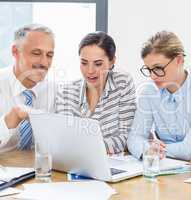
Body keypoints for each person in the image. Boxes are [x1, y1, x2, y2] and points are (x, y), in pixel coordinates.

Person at [127, 31, 191, 161]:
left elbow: (189, 150)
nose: (153, 76)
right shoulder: (148, 91)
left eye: (158, 68)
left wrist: (154, 149)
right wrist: (148, 150)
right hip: (163, 167)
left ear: (179, 60)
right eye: (148, 69)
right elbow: (134, 138)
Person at [55, 31, 136, 154]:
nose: (90, 71)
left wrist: (89, 148)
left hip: (111, 164)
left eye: (98, 64)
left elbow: (128, 137)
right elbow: (64, 139)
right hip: (76, 163)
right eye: (84, 63)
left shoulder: (122, 82)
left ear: (112, 61)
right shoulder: (67, 92)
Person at [0, 24, 56, 152]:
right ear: (15, 51)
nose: (44, 62)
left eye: (49, 55)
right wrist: (8, 121)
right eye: (36, 53)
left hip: (39, 168)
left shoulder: (55, 91)